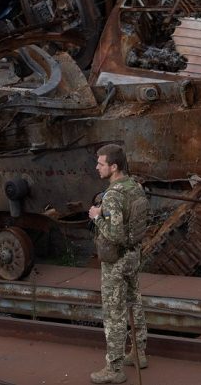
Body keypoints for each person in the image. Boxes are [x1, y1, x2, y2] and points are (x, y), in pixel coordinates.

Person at [88, 144, 149, 384]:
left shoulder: (113, 195)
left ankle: (114, 369)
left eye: (101, 164)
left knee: (114, 313)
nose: (97, 167)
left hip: (116, 259)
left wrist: (96, 217)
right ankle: (138, 352)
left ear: (113, 167)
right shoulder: (135, 187)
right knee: (135, 302)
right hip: (134, 255)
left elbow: (115, 234)